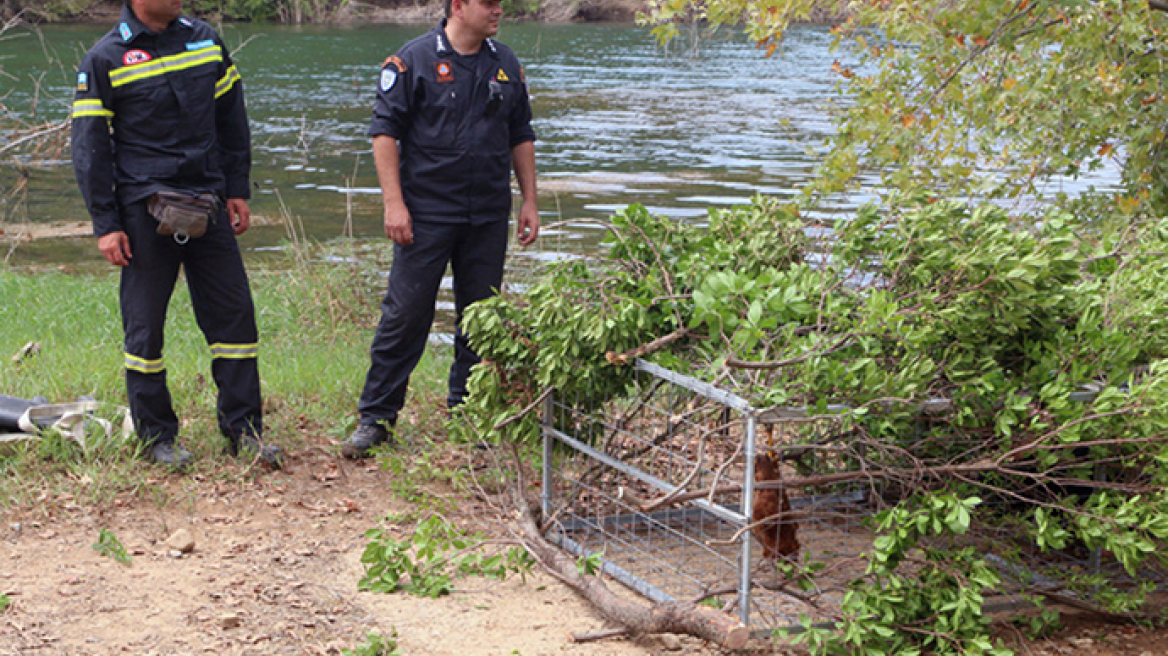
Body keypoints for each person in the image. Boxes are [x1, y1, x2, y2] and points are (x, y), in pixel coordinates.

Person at [71, 0, 281, 470]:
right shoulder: (105, 58)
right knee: (145, 331)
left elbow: (232, 118)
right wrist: (106, 224)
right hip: (144, 211)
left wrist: (238, 188)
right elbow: (89, 149)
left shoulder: (205, 39)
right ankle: (157, 439)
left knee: (236, 322)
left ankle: (243, 431)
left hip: (207, 201)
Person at [342, 0, 540, 458]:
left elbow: (521, 134)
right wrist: (394, 204)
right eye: (488, 3)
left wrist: (529, 200)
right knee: (406, 313)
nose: (498, 10)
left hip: (487, 213)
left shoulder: (505, 63)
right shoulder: (411, 61)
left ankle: (468, 412)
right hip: (426, 212)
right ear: (458, 6)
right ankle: (376, 418)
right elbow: (384, 134)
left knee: (480, 317)